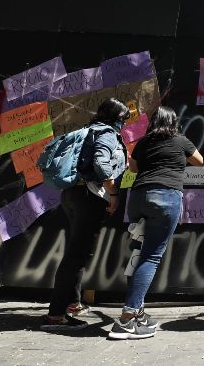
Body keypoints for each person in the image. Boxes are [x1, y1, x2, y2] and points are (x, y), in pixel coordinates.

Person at [108, 105, 204, 340]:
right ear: (174, 122)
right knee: (150, 257)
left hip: (139, 197)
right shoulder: (180, 140)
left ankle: (138, 313)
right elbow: (200, 161)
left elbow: (133, 167)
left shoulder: (143, 142)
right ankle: (126, 320)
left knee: (138, 254)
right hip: (166, 198)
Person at [40, 98, 130, 331]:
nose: (124, 124)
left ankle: (72, 303)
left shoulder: (88, 130)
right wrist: (113, 193)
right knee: (76, 256)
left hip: (72, 195)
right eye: (123, 119)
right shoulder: (108, 133)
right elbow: (101, 163)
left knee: (76, 251)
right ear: (116, 118)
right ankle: (56, 315)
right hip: (90, 197)